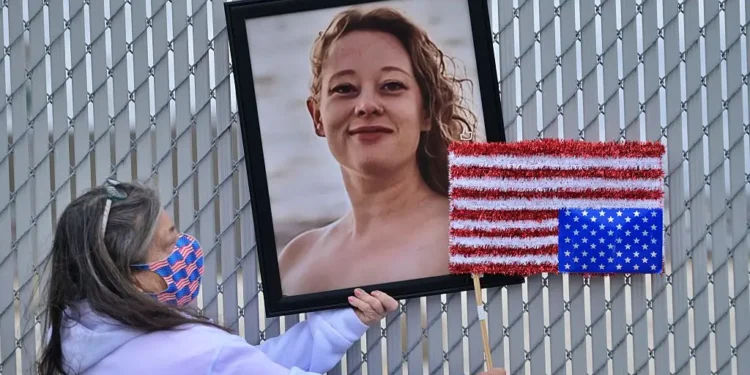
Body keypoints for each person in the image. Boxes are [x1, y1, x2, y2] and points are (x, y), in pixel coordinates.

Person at [36, 179, 401, 375]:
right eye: (168, 243)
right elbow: (229, 363)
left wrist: (343, 323)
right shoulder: (195, 351)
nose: (185, 247)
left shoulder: (76, 337)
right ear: (130, 278)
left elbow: (249, 364)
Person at [279, 6, 480, 295]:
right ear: (317, 116)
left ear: (426, 111)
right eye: (344, 89)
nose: (366, 105)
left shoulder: (474, 235)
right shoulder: (295, 263)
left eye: (391, 85)